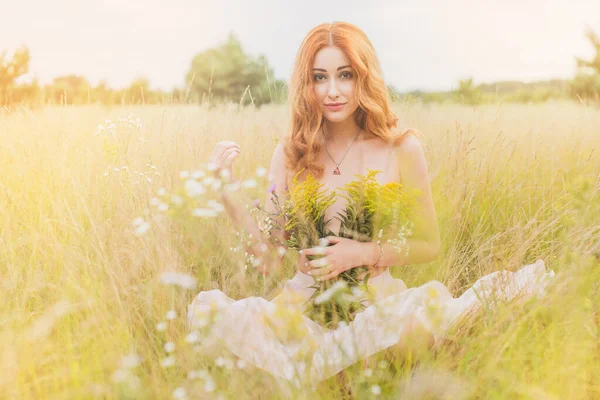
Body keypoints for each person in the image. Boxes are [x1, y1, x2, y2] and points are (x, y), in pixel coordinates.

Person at [187, 21, 555, 389]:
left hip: (374, 304)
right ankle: (329, 378)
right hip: (302, 308)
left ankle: (338, 378)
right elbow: (269, 256)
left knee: (411, 328)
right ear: (306, 84)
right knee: (218, 320)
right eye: (319, 77)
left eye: (344, 75)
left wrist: (361, 252)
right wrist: (227, 194)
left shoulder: (402, 149)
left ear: (363, 76)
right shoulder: (288, 153)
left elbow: (429, 245)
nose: (332, 91)